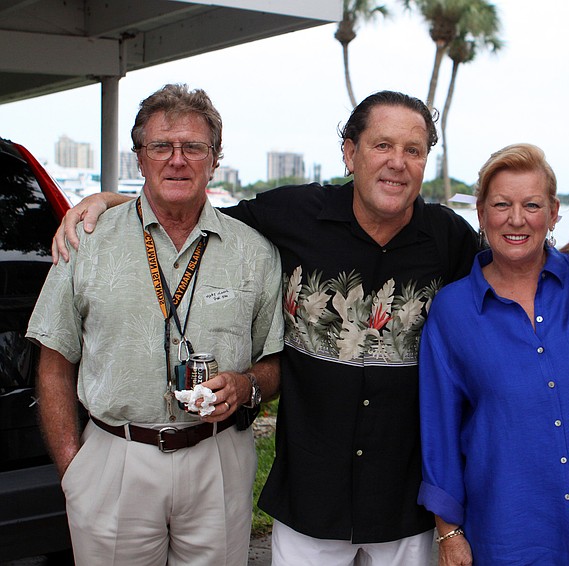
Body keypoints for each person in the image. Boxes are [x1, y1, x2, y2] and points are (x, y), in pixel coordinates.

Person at [52, 91, 481, 566]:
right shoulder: (293, 215)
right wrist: (111, 202)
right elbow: (188, 213)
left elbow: (512, 268)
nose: (397, 163)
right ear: (349, 152)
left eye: (413, 150)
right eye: (382, 145)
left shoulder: (451, 238)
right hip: (310, 499)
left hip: (404, 502)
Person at [29, 84, 284, 564]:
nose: (177, 159)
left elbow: (274, 362)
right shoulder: (86, 241)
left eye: (193, 147)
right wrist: (74, 469)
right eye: (161, 146)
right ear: (139, 158)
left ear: (215, 159)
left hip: (218, 457)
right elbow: (54, 361)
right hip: (115, 458)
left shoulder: (254, 251)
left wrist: (247, 385)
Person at [418, 144, 569, 565]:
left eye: (531, 205)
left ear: (553, 213)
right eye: (501, 204)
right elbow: (439, 429)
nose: (516, 219)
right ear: (480, 213)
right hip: (502, 531)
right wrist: (449, 533)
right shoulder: (452, 311)